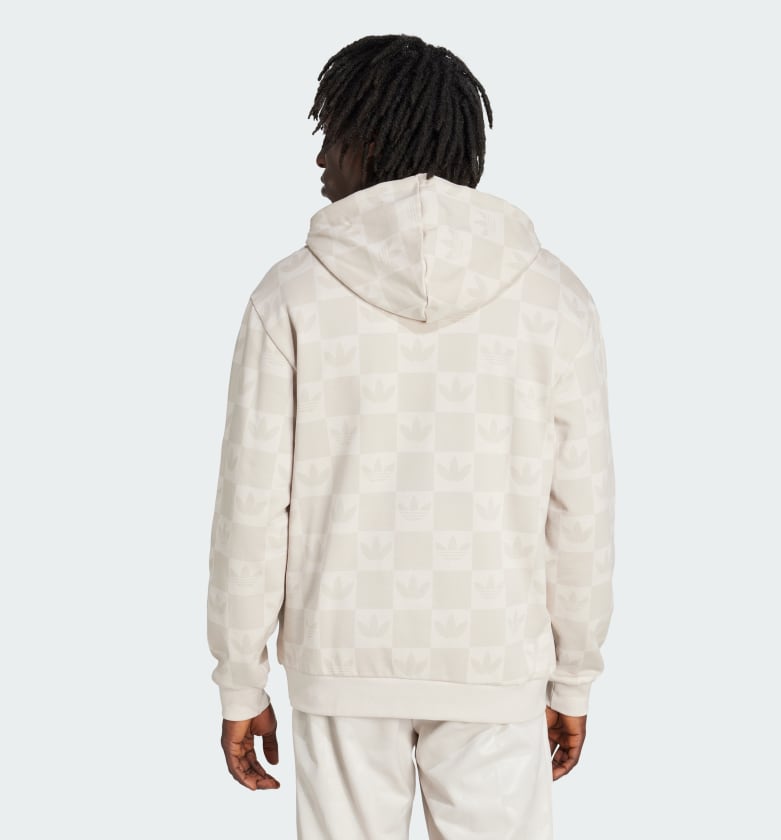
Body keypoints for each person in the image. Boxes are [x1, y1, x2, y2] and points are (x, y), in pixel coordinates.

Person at [206, 33, 616, 839]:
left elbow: (253, 506)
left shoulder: (291, 296)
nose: (320, 158)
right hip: (494, 657)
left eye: (335, 133)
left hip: (341, 660)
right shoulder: (554, 299)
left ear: (374, 139)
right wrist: (573, 675)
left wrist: (240, 678)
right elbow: (582, 511)